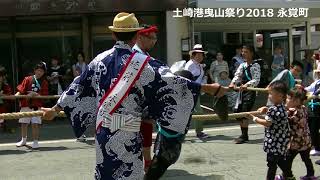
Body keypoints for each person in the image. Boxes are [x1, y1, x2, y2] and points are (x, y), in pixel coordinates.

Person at [42, 12, 227, 180]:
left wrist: (54, 109)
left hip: (104, 130)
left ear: (113, 34)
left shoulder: (99, 60)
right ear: (137, 35)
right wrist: (209, 88)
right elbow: (174, 83)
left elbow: (78, 86)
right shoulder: (144, 64)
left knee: (105, 174)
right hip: (128, 130)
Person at [248, 81, 294, 180]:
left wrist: (254, 118)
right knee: (281, 160)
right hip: (281, 142)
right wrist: (266, 109)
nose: (269, 96)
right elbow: (273, 115)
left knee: (272, 164)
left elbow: (267, 122)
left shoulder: (273, 109)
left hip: (274, 142)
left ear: (280, 95)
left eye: (271, 93)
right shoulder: (282, 107)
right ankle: (289, 176)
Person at [132, 24, 158, 172]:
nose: (154, 41)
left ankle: (147, 161)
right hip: (134, 102)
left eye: (155, 38)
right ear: (140, 37)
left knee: (146, 130)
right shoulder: (136, 55)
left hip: (143, 101)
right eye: (152, 38)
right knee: (138, 132)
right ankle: (144, 163)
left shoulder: (144, 55)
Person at [229, 45, 261, 144]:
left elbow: (256, 79)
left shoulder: (256, 65)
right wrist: (232, 83)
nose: (243, 53)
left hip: (250, 91)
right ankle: (244, 134)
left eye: (246, 52)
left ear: (251, 53)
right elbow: (237, 75)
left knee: (245, 111)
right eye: (242, 52)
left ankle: (244, 135)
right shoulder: (242, 65)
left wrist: (247, 85)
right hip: (241, 91)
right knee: (238, 111)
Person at [16, 62, 48, 149]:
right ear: (34, 70)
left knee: (35, 124)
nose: (39, 72)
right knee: (23, 123)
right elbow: (21, 90)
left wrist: (35, 94)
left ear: (44, 72)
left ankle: (35, 141)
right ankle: (23, 140)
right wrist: (16, 95)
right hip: (26, 104)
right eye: (38, 70)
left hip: (36, 106)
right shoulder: (27, 79)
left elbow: (45, 96)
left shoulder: (44, 82)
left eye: (41, 71)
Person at [286, 87, 316, 180]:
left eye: (288, 98)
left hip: (296, 141)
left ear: (296, 100)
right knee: (306, 159)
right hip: (306, 140)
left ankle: (287, 175)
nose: (286, 100)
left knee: (288, 159)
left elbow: (285, 120)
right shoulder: (303, 108)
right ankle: (311, 175)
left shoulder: (292, 111)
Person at [184, 44, 209, 139]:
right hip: (189, 92)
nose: (200, 57)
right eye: (197, 55)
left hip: (195, 92)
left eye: (201, 55)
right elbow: (187, 79)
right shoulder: (190, 65)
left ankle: (197, 131)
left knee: (190, 112)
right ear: (193, 55)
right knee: (198, 112)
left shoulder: (198, 65)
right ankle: (199, 132)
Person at [305, 71, 320, 157]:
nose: (318, 74)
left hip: (318, 110)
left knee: (314, 129)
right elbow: (309, 88)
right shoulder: (317, 82)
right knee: (312, 129)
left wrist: (315, 95)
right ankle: (317, 147)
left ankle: (317, 148)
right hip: (313, 109)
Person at [0, 66, 13, 131]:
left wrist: (2, 95)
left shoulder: (5, 85)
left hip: (3, 105)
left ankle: (3, 124)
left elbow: (10, 96)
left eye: (1, 76)